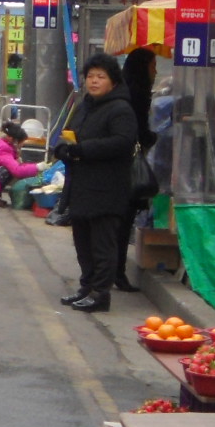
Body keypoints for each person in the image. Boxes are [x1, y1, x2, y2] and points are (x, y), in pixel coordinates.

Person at [56, 53, 141, 312]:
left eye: (100, 77)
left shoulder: (120, 109)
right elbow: (68, 134)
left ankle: (100, 294)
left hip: (107, 188)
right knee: (82, 242)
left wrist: (83, 149)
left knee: (102, 244)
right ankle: (86, 287)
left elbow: (123, 142)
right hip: (81, 186)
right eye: (91, 76)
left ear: (113, 81)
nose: (94, 81)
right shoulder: (85, 105)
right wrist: (63, 149)